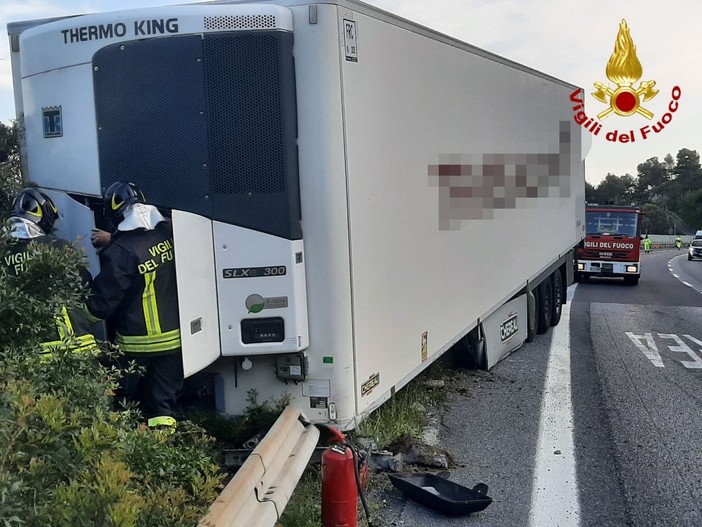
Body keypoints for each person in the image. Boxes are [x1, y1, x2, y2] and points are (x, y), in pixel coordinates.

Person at [84, 181, 182, 429]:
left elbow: (102, 304)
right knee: (163, 405)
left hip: (136, 344)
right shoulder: (169, 232)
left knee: (125, 403)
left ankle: (127, 452)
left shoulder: (120, 253)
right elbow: (143, 244)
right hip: (174, 341)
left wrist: (81, 316)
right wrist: (113, 239)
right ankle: (164, 448)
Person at [2, 188, 97, 357]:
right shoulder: (57, 246)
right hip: (72, 344)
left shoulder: (3, 254)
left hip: (28, 353)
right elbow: (85, 286)